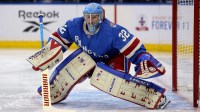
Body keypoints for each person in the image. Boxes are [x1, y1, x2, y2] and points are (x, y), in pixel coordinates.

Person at [27, 2, 170, 109]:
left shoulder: (113, 31)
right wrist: (48, 54)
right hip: (90, 58)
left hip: (114, 59)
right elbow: (58, 40)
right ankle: (52, 90)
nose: (90, 20)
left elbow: (136, 49)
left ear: (101, 17)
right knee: (77, 62)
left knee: (112, 81)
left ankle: (154, 96)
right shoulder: (73, 25)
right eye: (87, 16)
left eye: (94, 17)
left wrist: (142, 59)